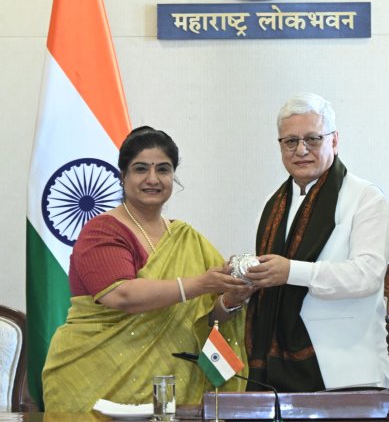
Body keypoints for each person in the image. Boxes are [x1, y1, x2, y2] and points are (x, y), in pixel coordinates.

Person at [42, 126, 252, 412]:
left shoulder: (187, 238)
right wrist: (202, 284)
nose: (152, 179)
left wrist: (232, 299)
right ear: (123, 176)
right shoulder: (101, 231)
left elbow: (204, 318)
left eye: (163, 169)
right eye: (141, 169)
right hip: (93, 381)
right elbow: (122, 295)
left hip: (166, 388)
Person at [243, 92, 389, 392]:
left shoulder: (365, 198)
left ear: (334, 141)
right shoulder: (273, 204)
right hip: (276, 368)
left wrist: (291, 271)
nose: (301, 150)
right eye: (291, 141)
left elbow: (366, 275)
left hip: (348, 367)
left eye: (312, 139)